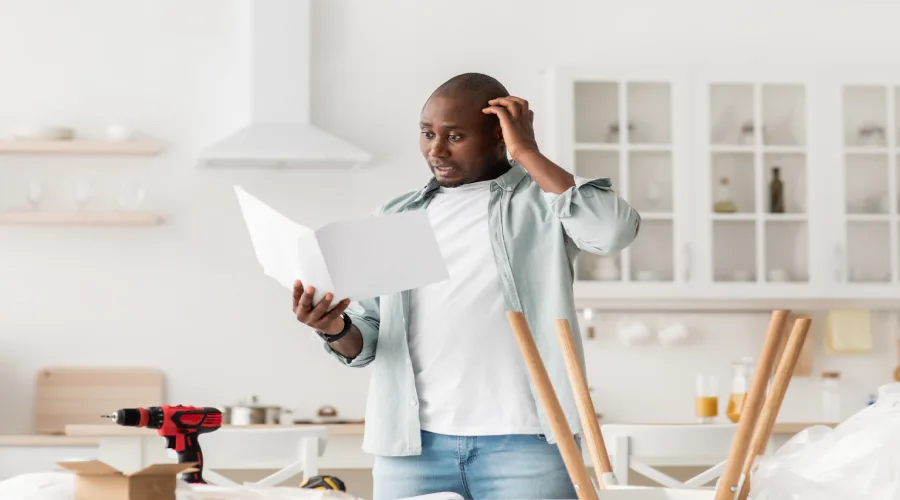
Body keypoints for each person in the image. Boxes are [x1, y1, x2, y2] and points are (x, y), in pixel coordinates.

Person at [291, 73, 641, 499]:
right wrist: (333, 328)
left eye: (454, 136)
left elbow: (612, 231)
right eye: (427, 134)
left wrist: (527, 152)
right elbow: (369, 339)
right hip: (412, 449)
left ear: (499, 135)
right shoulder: (397, 215)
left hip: (527, 444)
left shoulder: (543, 201)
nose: (435, 150)